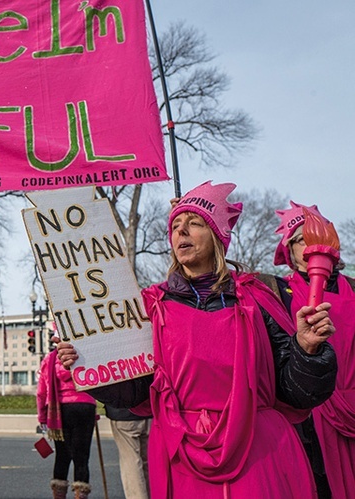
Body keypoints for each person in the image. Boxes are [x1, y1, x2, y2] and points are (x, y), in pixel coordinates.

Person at [57, 181, 338, 497]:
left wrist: (307, 350)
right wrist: (90, 362)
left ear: (219, 237)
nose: (182, 232)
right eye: (176, 226)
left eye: (194, 223)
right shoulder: (149, 306)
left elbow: (294, 392)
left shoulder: (258, 299)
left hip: (259, 454)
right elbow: (134, 391)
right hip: (182, 455)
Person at [264, 201, 355, 498]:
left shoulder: (353, 288)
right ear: (289, 250)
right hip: (308, 415)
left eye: (318, 238)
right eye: (301, 239)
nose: (310, 247)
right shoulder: (274, 291)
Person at [37, 349, 97, 499]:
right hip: (85, 406)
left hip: (60, 410)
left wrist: (43, 417)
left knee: (62, 455)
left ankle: (59, 494)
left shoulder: (50, 359)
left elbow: (41, 392)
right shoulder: (85, 354)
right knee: (82, 456)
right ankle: (81, 494)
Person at [103, 404, 150, 499]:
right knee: (148, 461)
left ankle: (137, 496)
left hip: (123, 413)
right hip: (149, 411)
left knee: (130, 461)